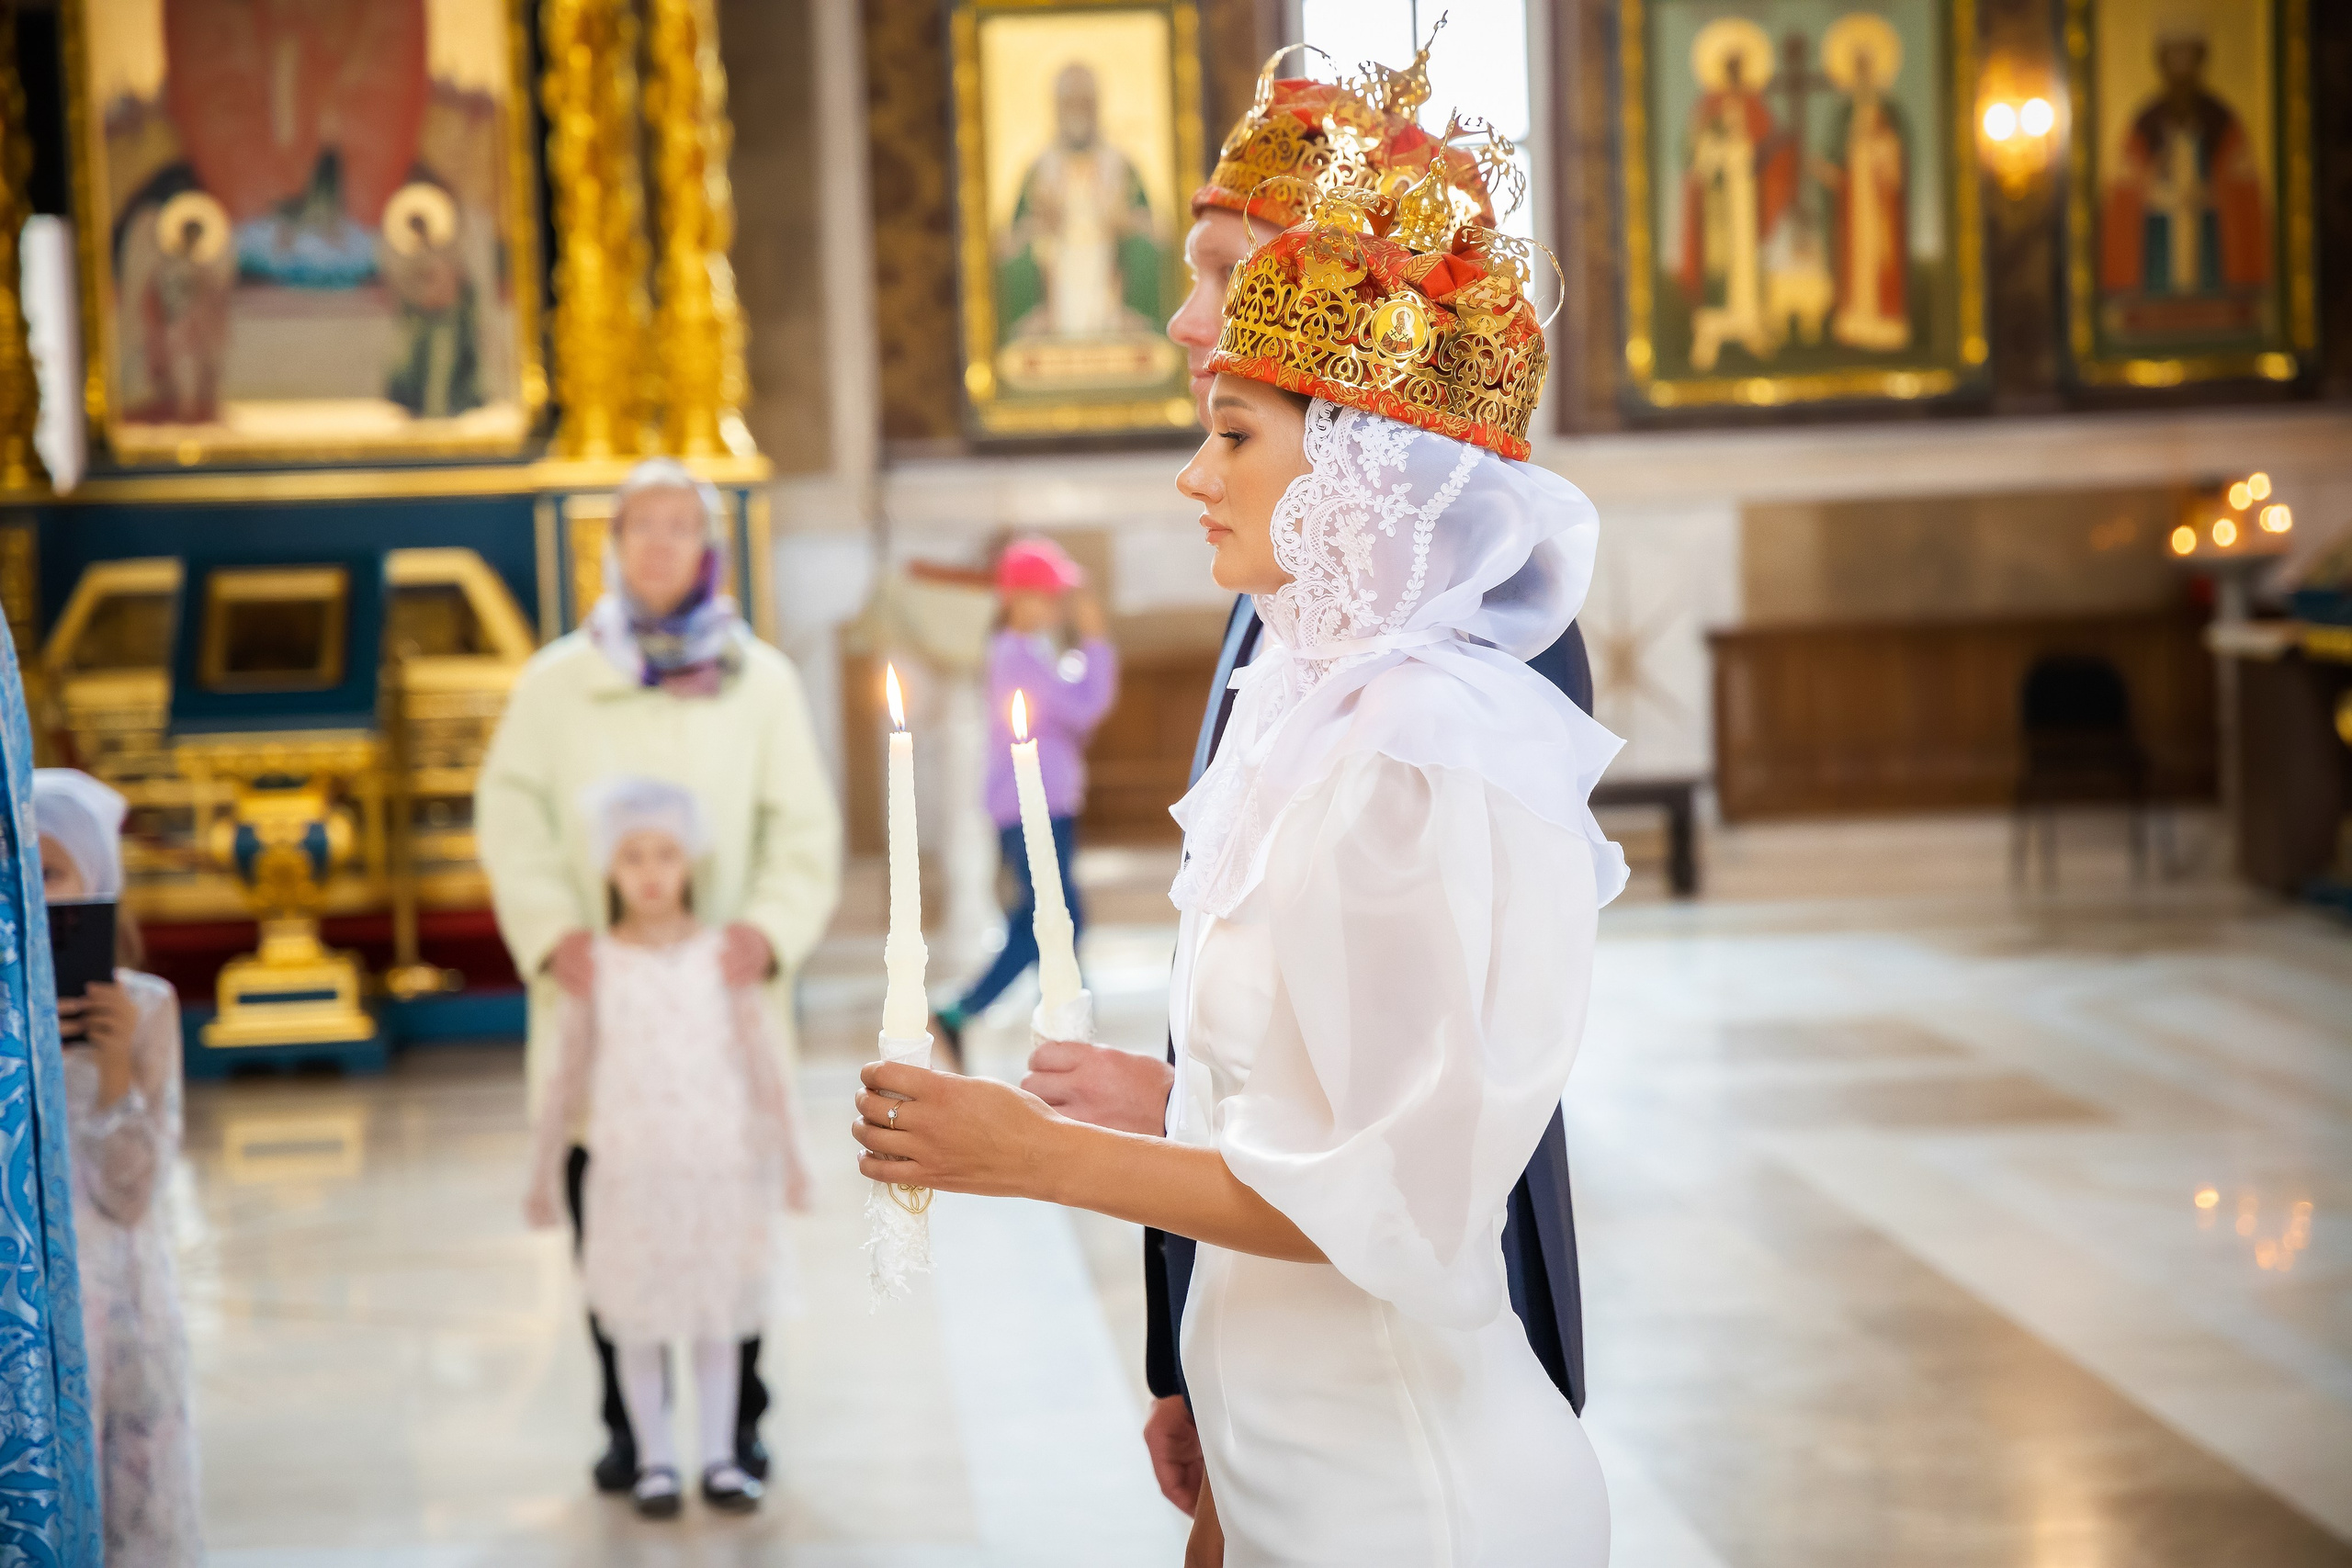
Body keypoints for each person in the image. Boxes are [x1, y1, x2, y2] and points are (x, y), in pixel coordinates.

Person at [856, 165, 1623, 1562]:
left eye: (1233, 434)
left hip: (1408, 1497)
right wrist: (1170, 1094)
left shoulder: (1419, 751)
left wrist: (1044, 1158)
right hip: (1293, 1465)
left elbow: (1387, 1202)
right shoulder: (1315, 701)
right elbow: (1329, 1087)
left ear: (1355, 468)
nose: (1192, 473)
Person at [1035, 45, 1595, 1523]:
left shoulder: (1447, 697)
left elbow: (1411, 1159)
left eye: (1222, 267)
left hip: (1401, 1422)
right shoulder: (1299, 644)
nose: (1182, 314)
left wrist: (1042, 1159)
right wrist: (1190, 1355)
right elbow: (1284, 1050)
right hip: (1276, 1380)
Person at [476, 456, 841, 1494]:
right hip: (608, 996)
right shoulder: (557, 683)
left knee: (731, 1218)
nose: (661, 545)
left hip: (719, 1005)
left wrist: (766, 929)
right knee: (615, 1217)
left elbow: (802, 829)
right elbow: (511, 824)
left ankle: (740, 1425)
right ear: (614, 542)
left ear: (709, 548)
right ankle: (631, 1430)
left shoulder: (758, 680)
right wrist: (555, 934)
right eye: (642, 526)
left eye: (683, 527)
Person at [525, 777, 811, 1518]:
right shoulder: (596, 965)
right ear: (608, 870)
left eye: (664, 855)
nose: (650, 871)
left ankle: (718, 1456)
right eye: (632, 857)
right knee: (638, 1316)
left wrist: (793, 1158)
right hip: (630, 1167)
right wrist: (542, 1171)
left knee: (718, 1313)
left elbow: (760, 1061)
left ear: (690, 863)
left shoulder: (724, 956)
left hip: (716, 1165)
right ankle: (654, 1460)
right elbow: (568, 1072)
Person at [34, 769, 203, 1565]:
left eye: (53, 873)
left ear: (96, 881)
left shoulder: (148, 1006)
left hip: (127, 1298)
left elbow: (136, 1195)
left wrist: (113, 1069)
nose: (33, 897)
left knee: (140, 1499)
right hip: (27, 1309)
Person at [931, 538, 1118, 1058]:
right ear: (1015, 597)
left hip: (1045, 801)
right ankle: (1059, 1023)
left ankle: (1027, 1017)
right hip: (1029, 806)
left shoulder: (1028, 649)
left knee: (1042, 919)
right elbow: (1084, 707)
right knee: (1056, 919)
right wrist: (1096, 637)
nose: (1057, 606)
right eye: (1047, 595)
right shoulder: (1014, 654)